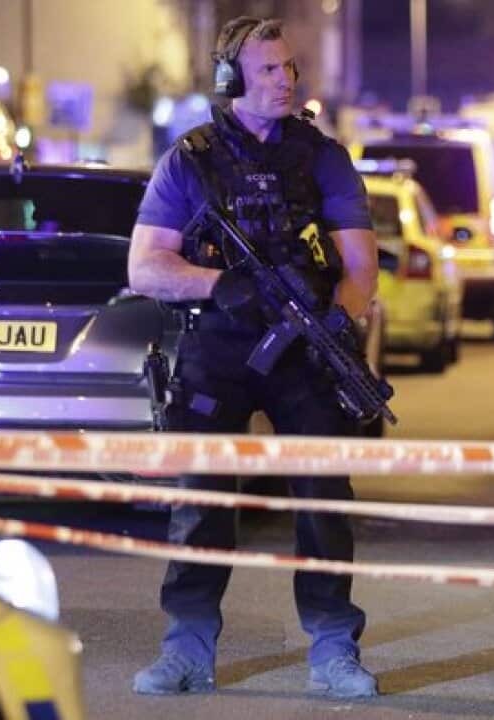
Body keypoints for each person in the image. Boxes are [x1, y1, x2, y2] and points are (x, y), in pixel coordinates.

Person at [127, 16, 380, 699]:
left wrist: (335, 320)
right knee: (201, 501)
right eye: (269, 70)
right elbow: (146, 266)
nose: (286, 81)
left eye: (290, 68)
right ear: (233, 79)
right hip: (219, 344)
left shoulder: (322, 156)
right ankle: (186, 650)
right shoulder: (191, 158)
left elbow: (360, 268)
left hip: (305, 351)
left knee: (323, 499)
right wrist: (219, 285)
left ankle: (333, 651)